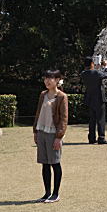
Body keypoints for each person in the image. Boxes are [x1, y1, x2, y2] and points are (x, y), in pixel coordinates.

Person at [32, 70, 68, 203]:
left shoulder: (61, 97)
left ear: (57, 80)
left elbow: (64, 119)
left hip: (53, 133)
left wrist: (59, 137)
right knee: (45, 163)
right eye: (46, 78)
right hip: (41, 131)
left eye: (51, 78)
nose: (47, 81)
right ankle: (46, 193)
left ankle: (55, 193)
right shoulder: (43, 95)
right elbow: (38, 113)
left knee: (55, 163)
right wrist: (35, 130)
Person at [82, 56, 107, 144]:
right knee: (100, 119)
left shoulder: (83, 73)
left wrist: (97, 68)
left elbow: (94, 73)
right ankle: (101, 137)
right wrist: (105, 66)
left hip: (90, 99)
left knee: (92, 119)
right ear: (92, 63)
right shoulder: (96, 73)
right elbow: (106, 74)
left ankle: (91, 138)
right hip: (99, 98)